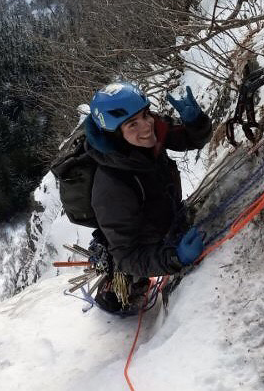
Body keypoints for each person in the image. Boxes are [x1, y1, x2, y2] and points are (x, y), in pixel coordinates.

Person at [84, 81, 212, 314]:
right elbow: (126, 255)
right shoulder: (112, 186)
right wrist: (175, 257)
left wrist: (196, 123)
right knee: (118, 300)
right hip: (144, 244)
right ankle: (115, 292)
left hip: (168, 219)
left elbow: (191, 139)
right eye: (133, 124)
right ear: (115, 136)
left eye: (145, 114)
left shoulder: (147, 134)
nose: (146, 127)